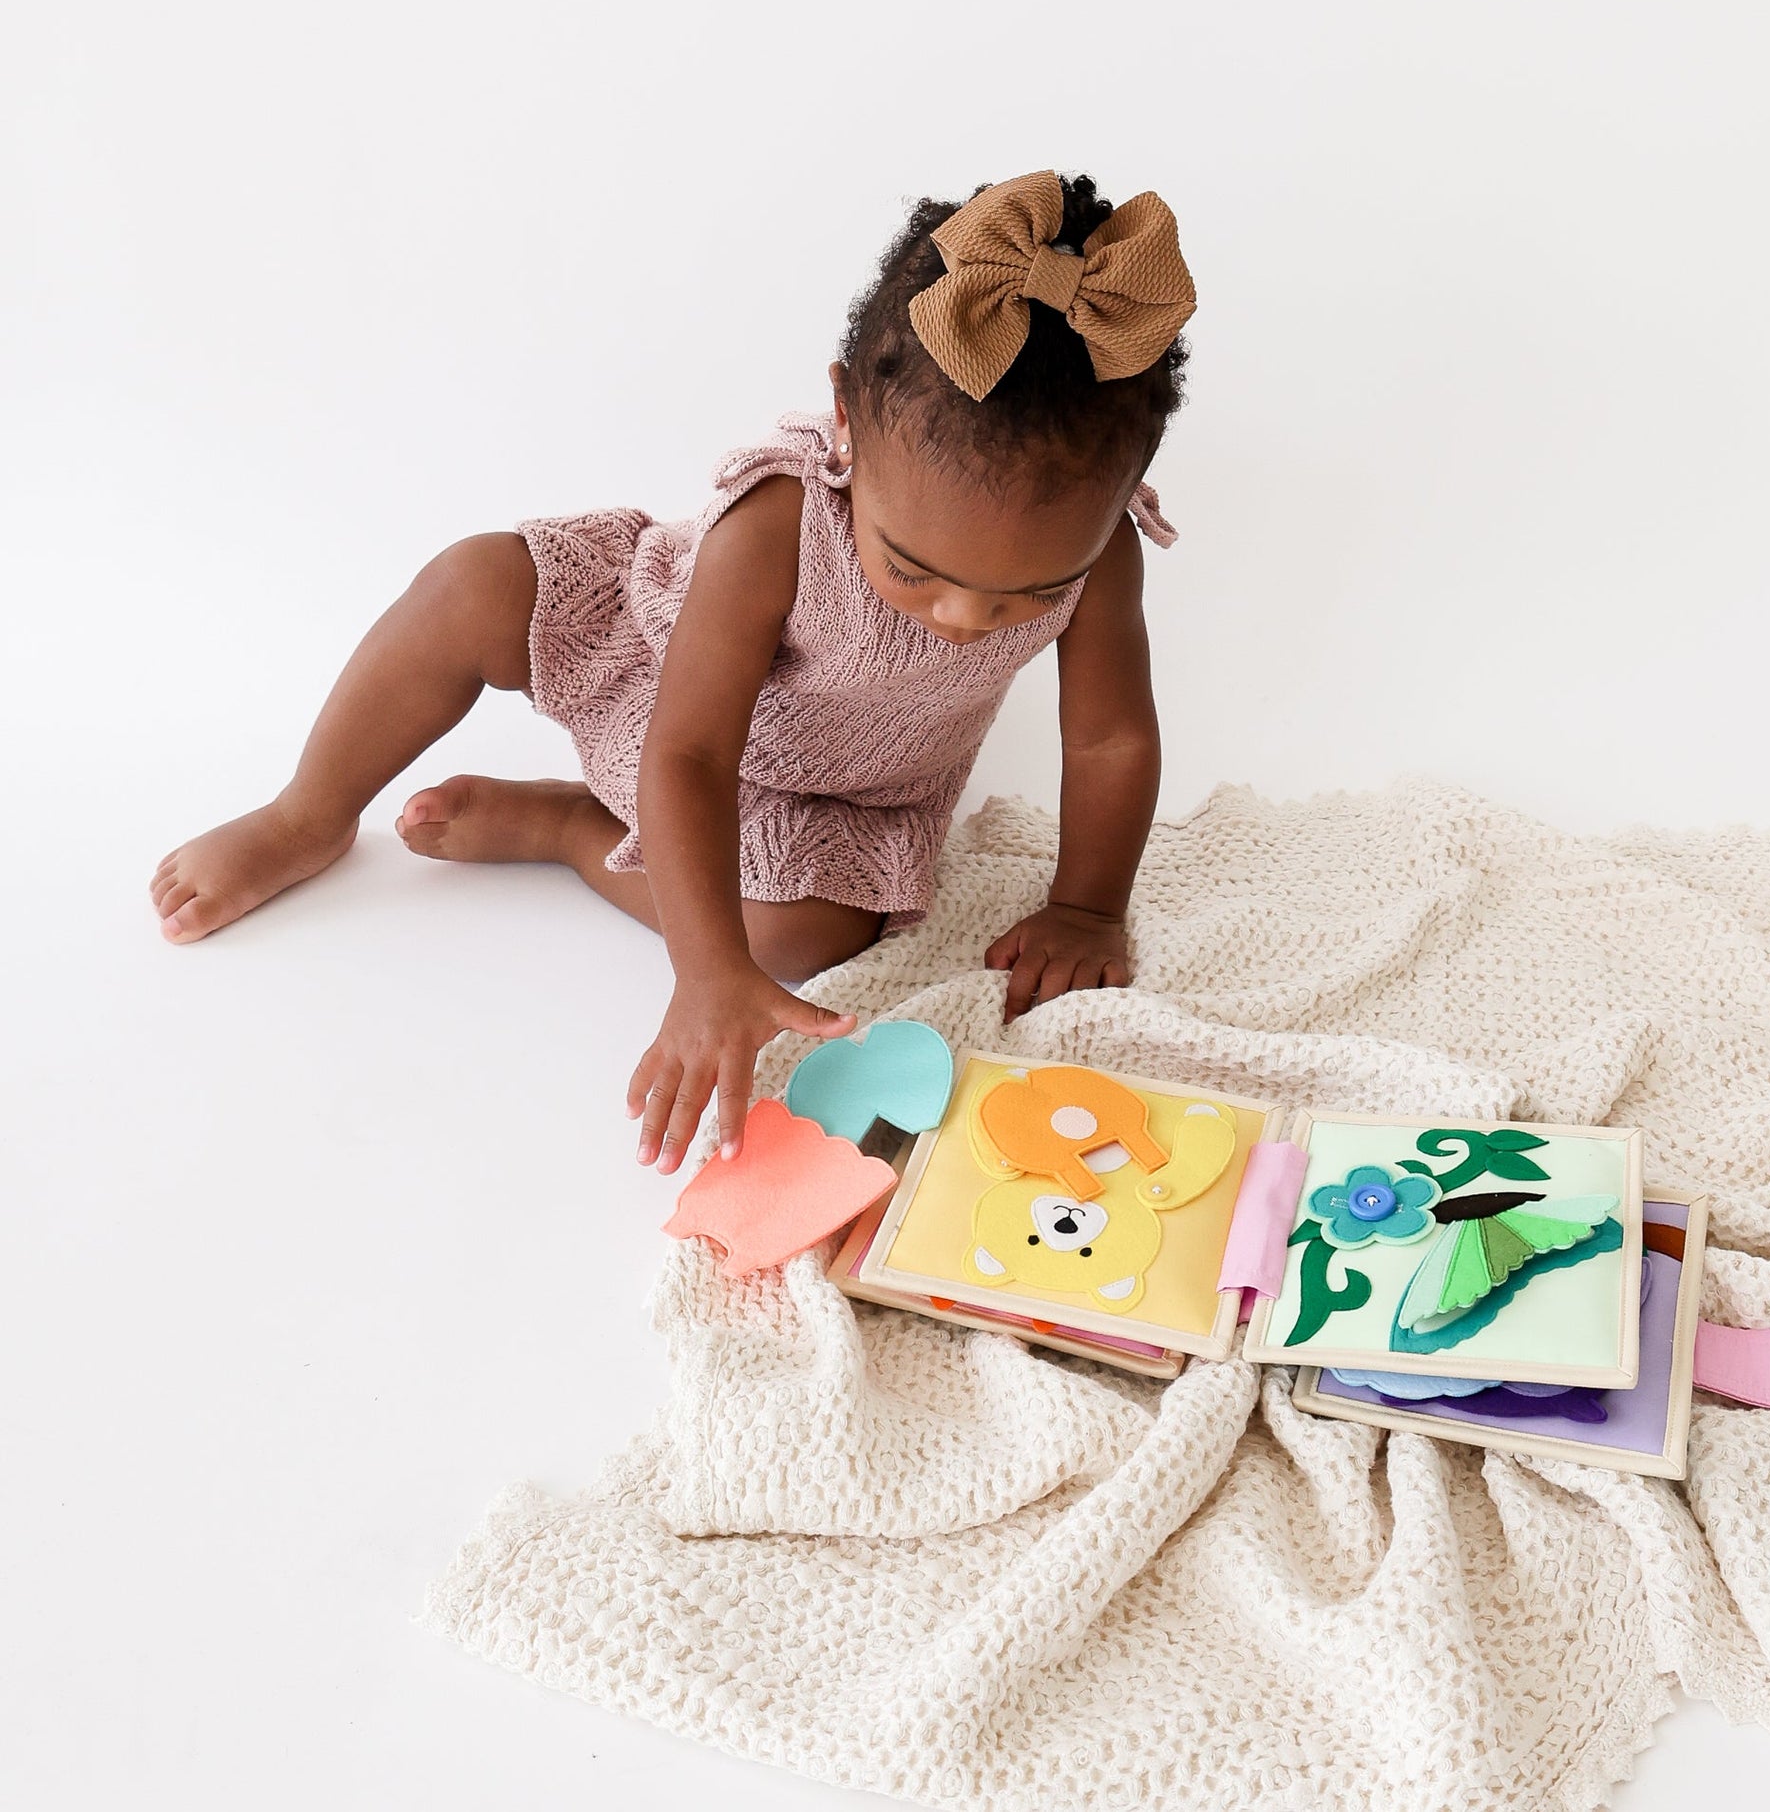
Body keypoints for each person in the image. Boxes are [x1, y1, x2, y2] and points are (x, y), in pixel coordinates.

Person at [149, 169, 1198, 1170]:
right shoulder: (780, 520)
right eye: (914, 571)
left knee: (795, 941)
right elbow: (690, 748)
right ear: (845, 420)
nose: (966, 620)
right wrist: (703, 975)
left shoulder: (1101, 556)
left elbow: (1109, 736)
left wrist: (1086, 907)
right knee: (472, 583)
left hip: (839, 786)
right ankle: (306, 812)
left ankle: (571, 829)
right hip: (667, 682)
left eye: (1025, 594)